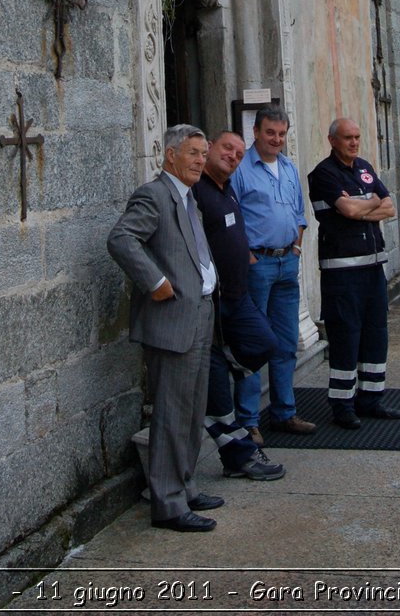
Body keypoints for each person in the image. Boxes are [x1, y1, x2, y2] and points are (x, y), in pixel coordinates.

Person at [107, 125, 223, 532]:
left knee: (192, 411)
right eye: (192, 153)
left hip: (200, 313)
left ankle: (186, 486)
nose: (200, 160)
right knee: (172, 413)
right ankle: (169, 504)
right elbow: (121, 239)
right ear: (170, 155)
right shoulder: (154, 194)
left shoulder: (189, 198)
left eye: (202, 153)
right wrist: (156, 283)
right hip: (172, 317)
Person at [194, 131, 286, 481]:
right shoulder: (196, 191)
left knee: (266, 343)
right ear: (209, 151)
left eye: (238, 152)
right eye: (226, 148)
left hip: (238, 295)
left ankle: (228, 361)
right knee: (217, 399)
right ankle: (240, 457)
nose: (232, 156)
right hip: (214, 305)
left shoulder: (226, 188)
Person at [307, 118, 400, 429]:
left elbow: (389, 207)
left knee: (376, 335)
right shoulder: (323, 173)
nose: (354, 143)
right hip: (342, 272)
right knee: (346, 337)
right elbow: (346, 210)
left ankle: (371, 399)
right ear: (333, 140)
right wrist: (367, 202)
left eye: (357, 137)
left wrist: (363, 204)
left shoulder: (364, 167)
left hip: (373, 268)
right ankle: (343, 405)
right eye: (348, 137)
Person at [230, 105, 316, 441]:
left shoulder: (289, 168)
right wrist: (248, 256)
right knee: (253, 344)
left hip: (286, 263)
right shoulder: (241, 169)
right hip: (258, 265)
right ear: (256, 132)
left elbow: (299, 213)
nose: (276, 139)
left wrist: (296, 248)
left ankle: (285, 413)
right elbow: (231, 216)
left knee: (285, 341)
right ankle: (249, 420)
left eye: (281, 134)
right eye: (270, 133)